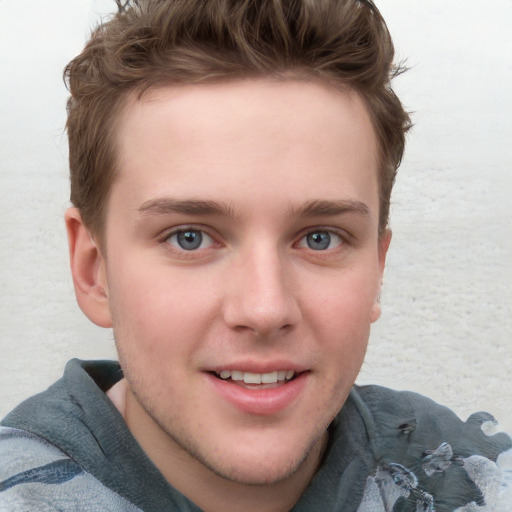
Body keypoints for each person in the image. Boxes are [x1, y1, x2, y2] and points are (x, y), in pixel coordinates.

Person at [0, 0, 510, 510]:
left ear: (377, 268)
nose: (265, 309)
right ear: (94, 270)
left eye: (320, 238)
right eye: (190, 237)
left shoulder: (473, 480)